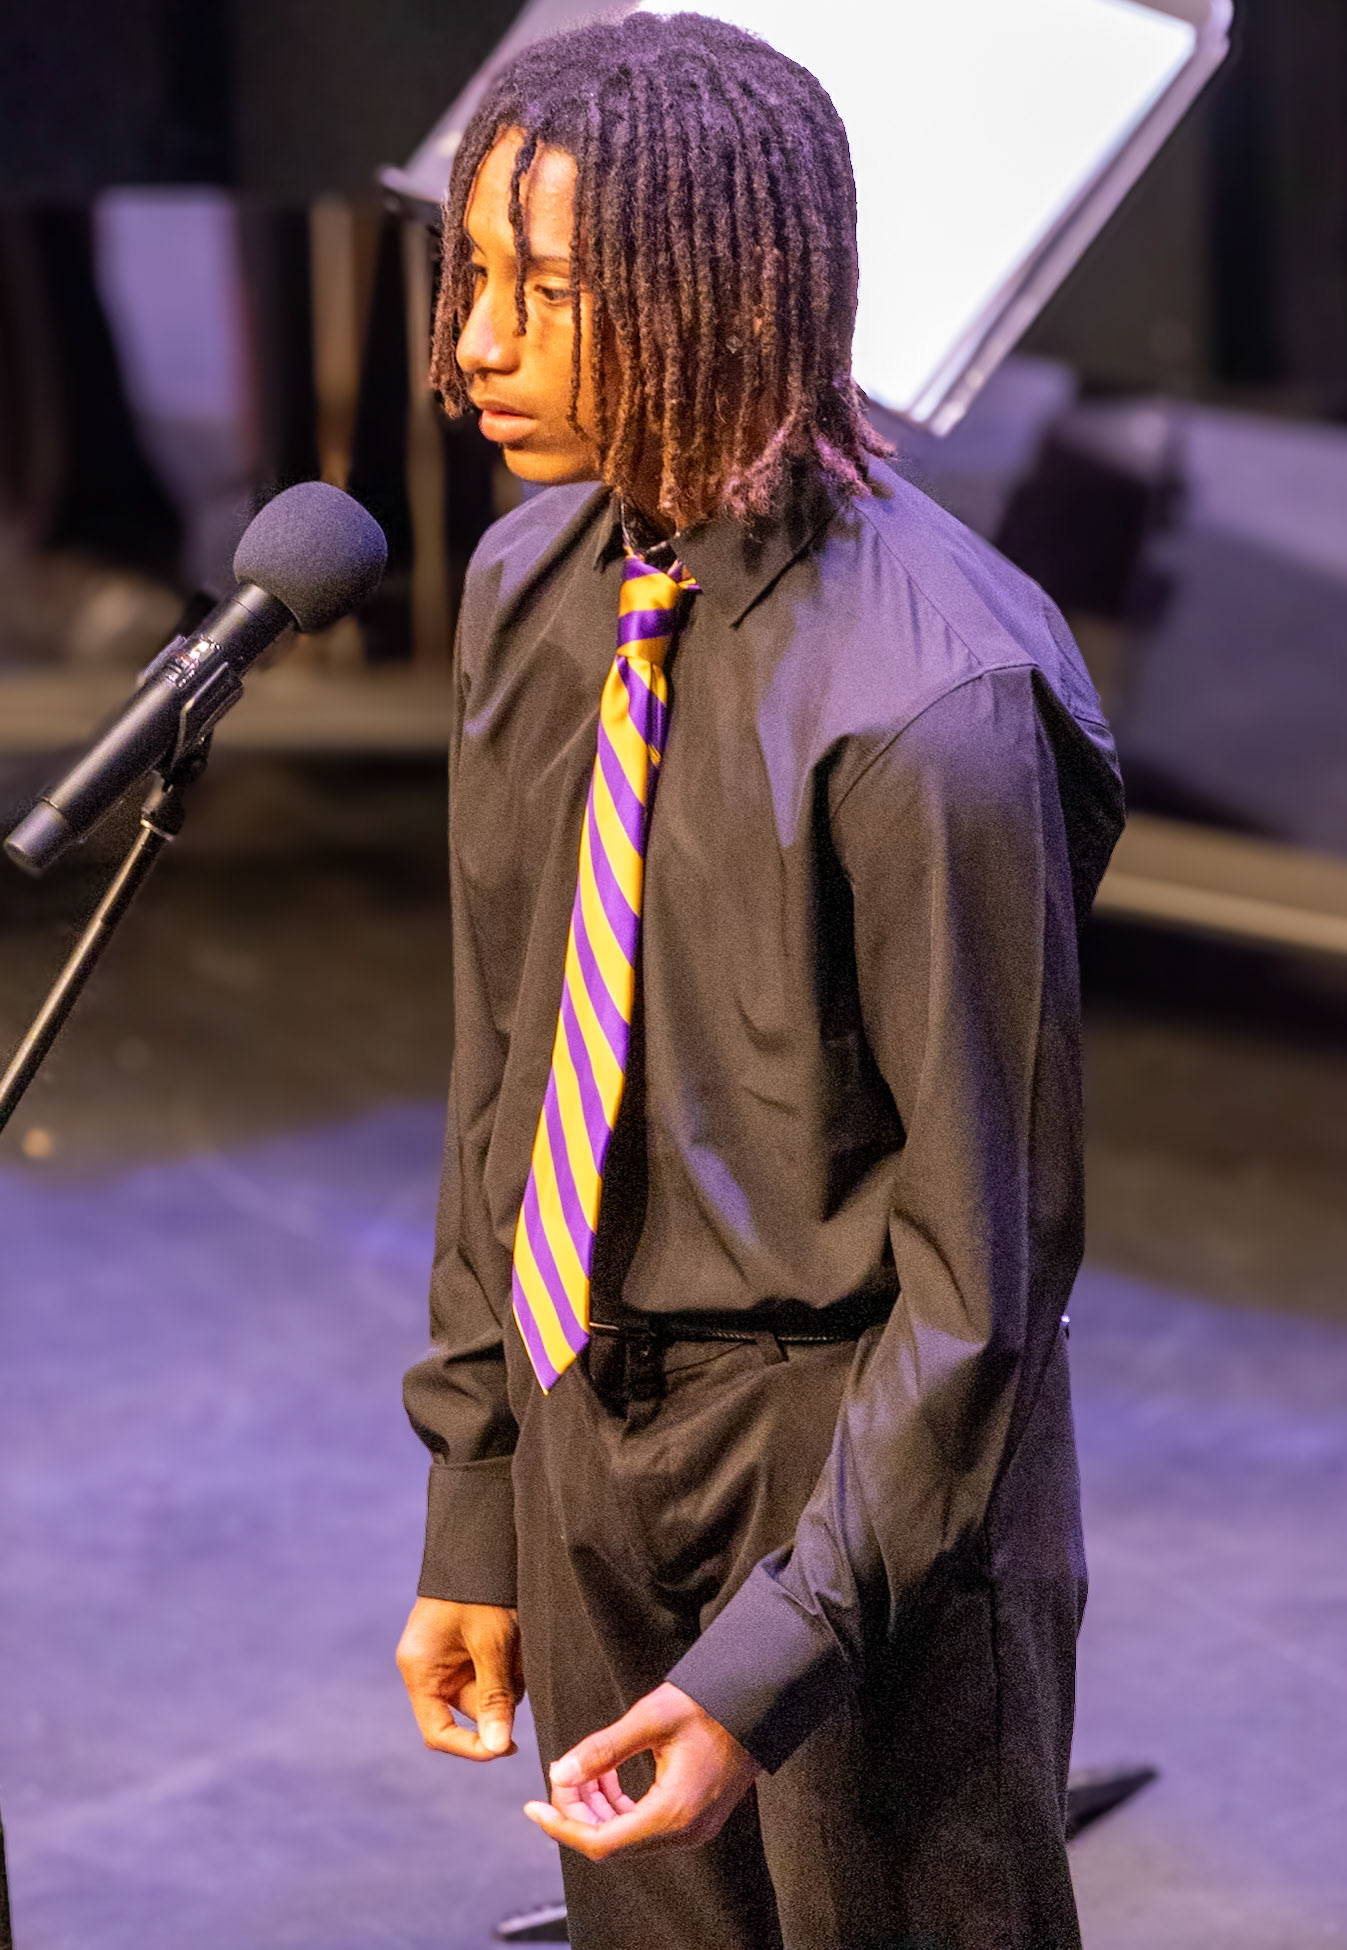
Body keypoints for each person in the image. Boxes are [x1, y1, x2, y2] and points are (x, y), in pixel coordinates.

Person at [396, 14, 1125, 1948]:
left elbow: (987, 1278)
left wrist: (763, 1663)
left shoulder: (933, 702)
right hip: (591, 1426)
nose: (468, 342)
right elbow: (505, 1077)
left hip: (866, 1472)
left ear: (709, 296)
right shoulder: (528, 590)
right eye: (472, 274)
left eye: (539, 292)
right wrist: (485, 1494)